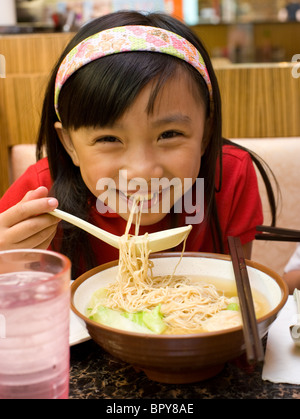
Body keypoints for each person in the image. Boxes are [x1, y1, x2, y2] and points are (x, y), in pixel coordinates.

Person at [0, 10, 277, 278]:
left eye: (169, 135)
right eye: (109, 139)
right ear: (70, 144)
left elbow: (237, 295)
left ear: (205, 133)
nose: (143, 171)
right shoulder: (42, 194)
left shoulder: (230, 176)